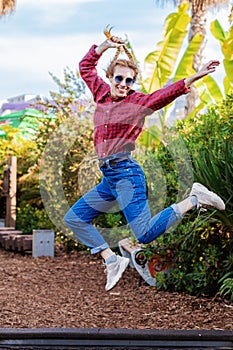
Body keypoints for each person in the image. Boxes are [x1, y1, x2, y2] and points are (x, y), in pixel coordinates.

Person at [64, 29, 225, 291]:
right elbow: (85, 66)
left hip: (127, 175)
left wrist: (198, 74)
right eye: (119, 78)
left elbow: (166, 94)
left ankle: (195, 199)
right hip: (109, 179)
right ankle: (112, 260)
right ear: (110, 77)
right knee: (75, 218)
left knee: (145, 234)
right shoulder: (101, 93)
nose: (124, 84)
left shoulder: (138, 103)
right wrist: (106, 45)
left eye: (129, 80)